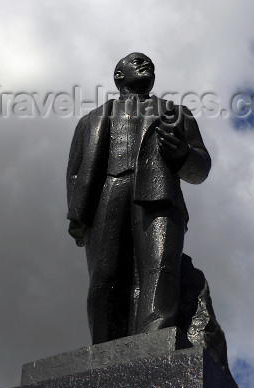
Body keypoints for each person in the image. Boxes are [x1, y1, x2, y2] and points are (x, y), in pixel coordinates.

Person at [66, 52, 211, 344]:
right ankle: (105, 350)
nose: (146, 64)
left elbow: (201, 167)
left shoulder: (176, 114)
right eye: (136, 62)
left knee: (160, 270)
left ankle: (153, 344)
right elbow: (75, 172)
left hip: (158, 195)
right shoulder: (90, 120)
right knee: (105, 278)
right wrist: (78, 216)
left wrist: (182, 153)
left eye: (149, 63)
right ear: (118, 76)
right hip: (108, 194)